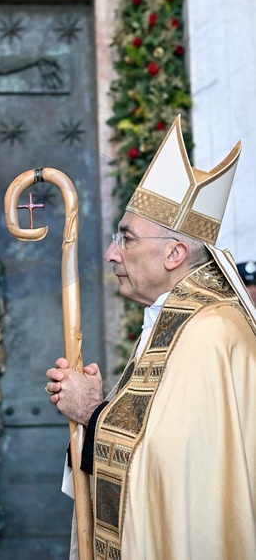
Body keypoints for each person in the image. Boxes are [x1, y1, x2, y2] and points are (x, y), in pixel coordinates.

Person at [45, 115, 256, 560]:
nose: (111, 253)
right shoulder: (180, 319)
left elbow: (175, 474)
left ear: (174, 253)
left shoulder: (209, 331)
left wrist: (92, 413)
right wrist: (103, 409)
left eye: (126, 238)